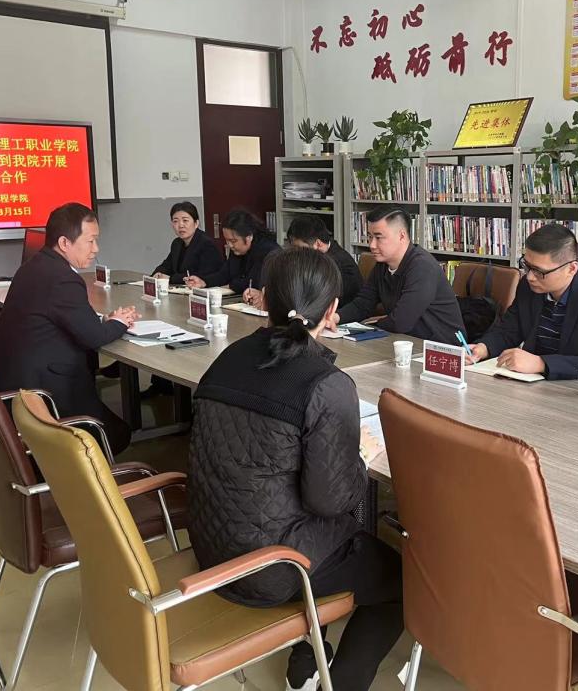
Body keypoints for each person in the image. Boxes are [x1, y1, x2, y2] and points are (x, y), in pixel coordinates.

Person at [190, 247, 402, 691]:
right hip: (269, 568)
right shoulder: (326, 385)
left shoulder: (227, 358)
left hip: (211, 548)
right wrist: (358, 458)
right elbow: (331, 501)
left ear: (265, 298)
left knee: (326, 539)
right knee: (399, 579)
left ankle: (305, 661)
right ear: (332, 310)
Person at [0, 203, 138, 453]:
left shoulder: (34, 267)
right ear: (64, 243)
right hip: (42, 395)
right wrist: (120, 322)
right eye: (90, 241)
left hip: (15, 385)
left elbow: (71, 321)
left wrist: (107, 321)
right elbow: (93, 337)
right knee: (118, 434)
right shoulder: (63, 279)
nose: (96, 249)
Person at [466, 224, 578, 381]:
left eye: (539, 271)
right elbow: (509, 330)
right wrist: (483, 348)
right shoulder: (528, 287)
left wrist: (542, 364)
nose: (530, 277)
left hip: (575, 389)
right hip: (530, 383)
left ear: (571, 269)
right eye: (526, 266)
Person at [331, 206, 464, 344]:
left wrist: (373, 323)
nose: (372, 245)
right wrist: (334, 317)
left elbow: (401, 322)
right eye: (370, 237)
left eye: (378, 237)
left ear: (402, 236)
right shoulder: (382, 265)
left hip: (440, 346)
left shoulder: (422, 267)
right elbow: (363, 304)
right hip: (406, 341)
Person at [190, 208, 280, 306]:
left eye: (233, 241)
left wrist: (231, 285)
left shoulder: (267, 251)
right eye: (227, 240)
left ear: (249, 237)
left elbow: (253, 282)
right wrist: (204, 282)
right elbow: (224, 274)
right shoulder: (238, 249)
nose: (230, 245)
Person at [287, 214, 362, 304]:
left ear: (318, 244)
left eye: (299, 248)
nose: (296, 253)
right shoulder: (325, 252)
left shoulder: (334, 264)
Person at [151, 201, 223, 286]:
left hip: (205, 290)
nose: (181, 225)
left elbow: (202, 275)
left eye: (185, 220)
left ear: (196, 223)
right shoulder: (177, 243)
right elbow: (166, 266)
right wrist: (158, 273)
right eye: (175, 221)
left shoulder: (207, 244)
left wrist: (170, 279)